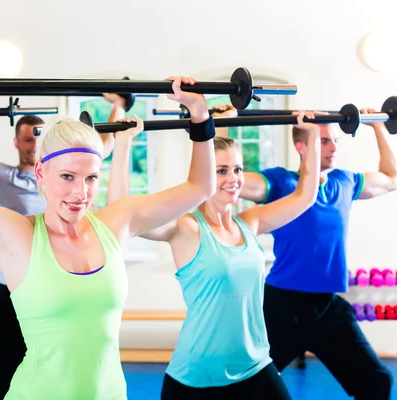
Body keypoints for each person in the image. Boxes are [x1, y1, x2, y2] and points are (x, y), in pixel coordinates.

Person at [0, 70, 216, 400]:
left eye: (90, 178)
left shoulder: (116, 223)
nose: (80, 192)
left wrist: (200, 115)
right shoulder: (15, 234)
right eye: (68, 177)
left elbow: (201, 186)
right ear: (41, 173)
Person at [107, 108, 321, 399]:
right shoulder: (186, 228)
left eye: (237, 169)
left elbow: (305, 196)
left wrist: (312, 136)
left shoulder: (250, 223)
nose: (233, 178)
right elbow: (122, 213)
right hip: (196, 377)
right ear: (206, 177)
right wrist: (123, 143)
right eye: (221, 171)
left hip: (254, 365)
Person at [0, 95, 123, 399]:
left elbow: (100, 145)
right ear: (16, 142)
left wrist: (120, 106)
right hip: (13, 289)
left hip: (60, 286)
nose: (34, 144)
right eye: (28, 139)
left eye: (39, 138)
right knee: (4, 367)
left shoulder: (71, 175)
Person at [218, 105, 397, 399]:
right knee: (245, 389)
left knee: (377, 383)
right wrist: (220, 127)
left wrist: (378, 127)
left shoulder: (346, 181)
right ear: (302, 146)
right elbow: (225, 179)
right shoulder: (279, 182)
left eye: (336, 140)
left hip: (327, 308)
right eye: (324, 140)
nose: (334, 148)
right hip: (281, 306)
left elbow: (392, 178)